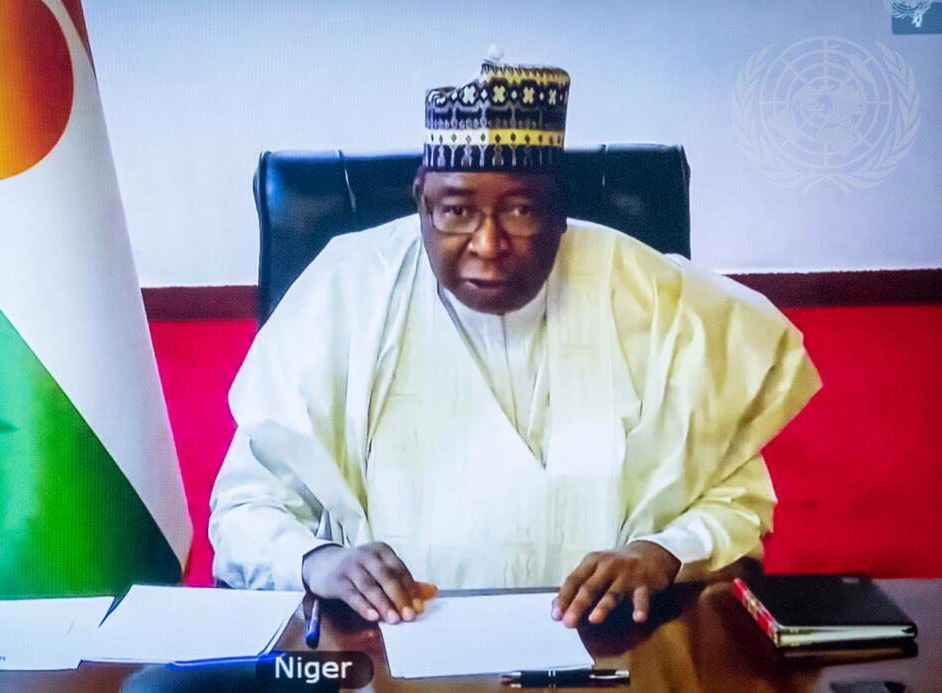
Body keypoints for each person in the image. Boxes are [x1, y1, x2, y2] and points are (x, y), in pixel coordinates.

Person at [208, 60, 820, 629]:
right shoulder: (345, 292)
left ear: (561, 211)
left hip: (609, 642)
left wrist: (660, 553)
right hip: (390, 644)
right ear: (421, 200)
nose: (488, 244)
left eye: (522, 210)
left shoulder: (653, 297)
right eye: (456, 211)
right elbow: (246, 508)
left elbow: (736, 503)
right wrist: (319, 562)